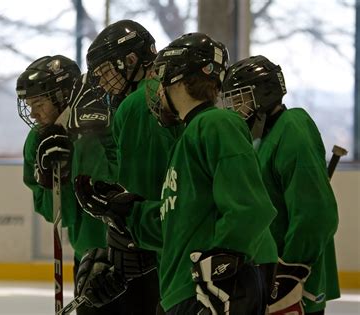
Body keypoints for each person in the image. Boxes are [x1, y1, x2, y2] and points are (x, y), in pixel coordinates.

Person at [74, 32, 279, 315]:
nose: (156, 90)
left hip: (210, 289)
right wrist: (125, 209)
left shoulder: (217, 124)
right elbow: (179, 222)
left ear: (179, 79)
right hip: (184, 289)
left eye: (160, 80)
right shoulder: (190, 135)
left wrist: (220, 269)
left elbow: (251, 208)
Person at [77, 19, 184, 314]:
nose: (102, 82)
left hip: (163, 255)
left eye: (106, 72)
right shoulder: (165, 93)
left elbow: (141, 189)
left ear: (132, 60)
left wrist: (128, 243)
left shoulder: (139, 103)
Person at [221, 55, 340, 315]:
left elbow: (316, 214)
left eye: (241, 99)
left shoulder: (292, 129)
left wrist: (291, 270)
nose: (235, 108)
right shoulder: (263, 138)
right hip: (271, 271)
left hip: (294, 278)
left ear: (262, 97)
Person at [15, 55, 125, 314]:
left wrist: (85, 139)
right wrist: (50, 177)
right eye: (30, 105)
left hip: (129, 257)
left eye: (39, 103)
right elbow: (54, 214)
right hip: (86, 257)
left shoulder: (105, 121)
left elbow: (114, 185)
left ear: (63, 95)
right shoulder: (37, 139)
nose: (33, 113)